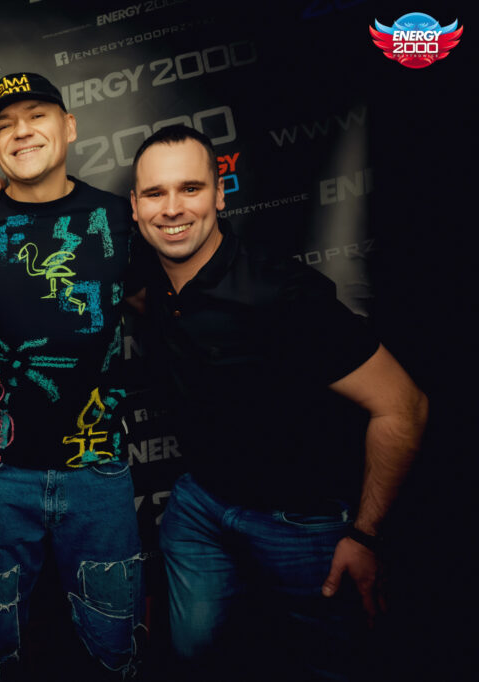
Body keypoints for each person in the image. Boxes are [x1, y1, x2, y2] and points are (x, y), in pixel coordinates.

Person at [127, 124, 429, 680]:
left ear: (220, 194)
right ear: (135, 206)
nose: (171, 209)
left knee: (328, 662)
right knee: (193, 651)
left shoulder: (285, 296)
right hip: (201, 504)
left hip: (299, 520)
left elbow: (403, 406)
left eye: (190, 188)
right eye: (154, 193)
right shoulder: (149, 274)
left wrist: (364, 536)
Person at [0, 72, 145, 680]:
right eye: (4, 126)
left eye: (36, 116)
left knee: (114, 644)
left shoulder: (119, 218)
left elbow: (168, 308)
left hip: (97, 468)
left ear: (69, 126)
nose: (21, 132)